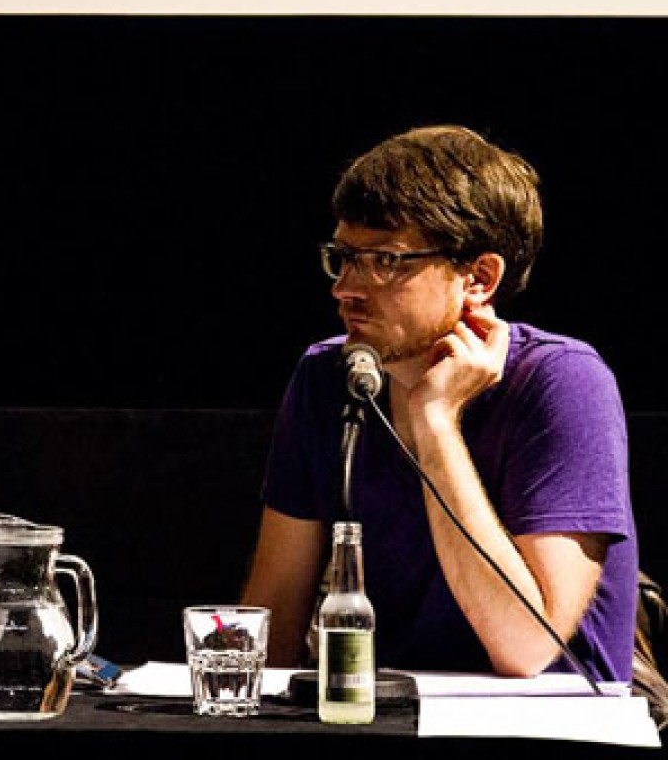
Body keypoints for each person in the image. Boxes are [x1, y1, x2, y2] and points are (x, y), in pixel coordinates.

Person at [240, 124, 638, 684]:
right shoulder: (325, 379)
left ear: (478, 277)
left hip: (545, 726)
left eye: (386, 261)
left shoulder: (562, 382)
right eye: (344, 257)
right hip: (383, 719)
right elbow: (275, 623)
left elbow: (525, 647)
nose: (346, 289)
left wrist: (436, 420)